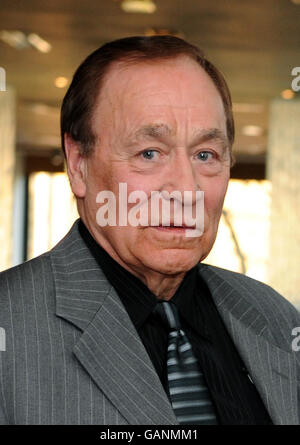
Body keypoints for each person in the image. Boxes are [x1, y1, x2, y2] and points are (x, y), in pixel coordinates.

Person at [0, 35, 299, 426]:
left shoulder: (274, 318)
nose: (186, 190)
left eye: (204, 155)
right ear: (78, 165)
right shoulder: (11, 328)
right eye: (149, 153)